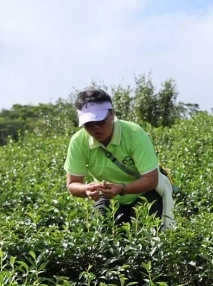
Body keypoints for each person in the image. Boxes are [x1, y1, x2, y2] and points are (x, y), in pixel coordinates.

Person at [64, 88, 174, 227]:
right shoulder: (78, 141)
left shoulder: (134, 133)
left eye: (101, 121)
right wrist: (86, 189)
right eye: (89, 124)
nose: (96, 128)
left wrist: (121, 188)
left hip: (144, 193)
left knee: (146, 236)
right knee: (105, 234)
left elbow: (151, 180)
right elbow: (72, 184)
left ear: (113, 114)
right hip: (107, 196)